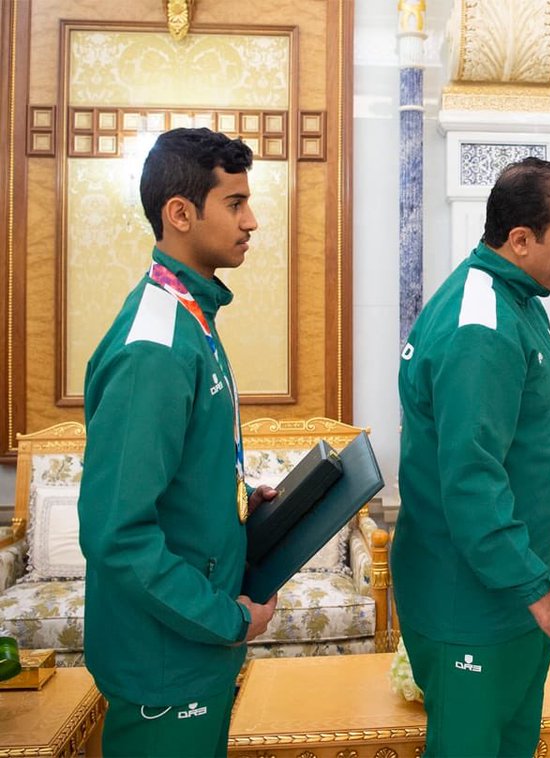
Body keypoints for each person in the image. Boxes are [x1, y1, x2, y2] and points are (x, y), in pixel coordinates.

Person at [392, 157, 550, 757]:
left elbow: (515, 446)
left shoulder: (518, 298)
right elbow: (471, 482)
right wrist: (544, 596)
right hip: (471, 603)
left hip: (508, 586)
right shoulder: (480, 327)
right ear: (520, 240)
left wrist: (547, 524)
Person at [78, 128, 279, 757]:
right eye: (235, 203)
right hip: (165, 660)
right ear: (180, 213)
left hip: (191, 651)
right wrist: (230, 619)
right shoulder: (156, 346)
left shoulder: (190, 318)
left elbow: (177, 473)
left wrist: (238, 499)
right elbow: (118, 533)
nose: (251, 221)